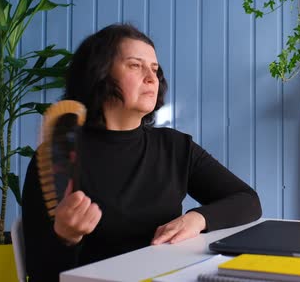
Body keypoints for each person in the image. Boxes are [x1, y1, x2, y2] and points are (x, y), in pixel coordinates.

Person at [22, 24, 262, 281]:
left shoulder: (176, 147)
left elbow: (247, 200)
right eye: (135, 65)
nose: (151, 78)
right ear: (99, 74)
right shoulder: (58, 157)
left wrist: (197, 218)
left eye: (155, 69)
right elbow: (40, 272)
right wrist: (65, 235)